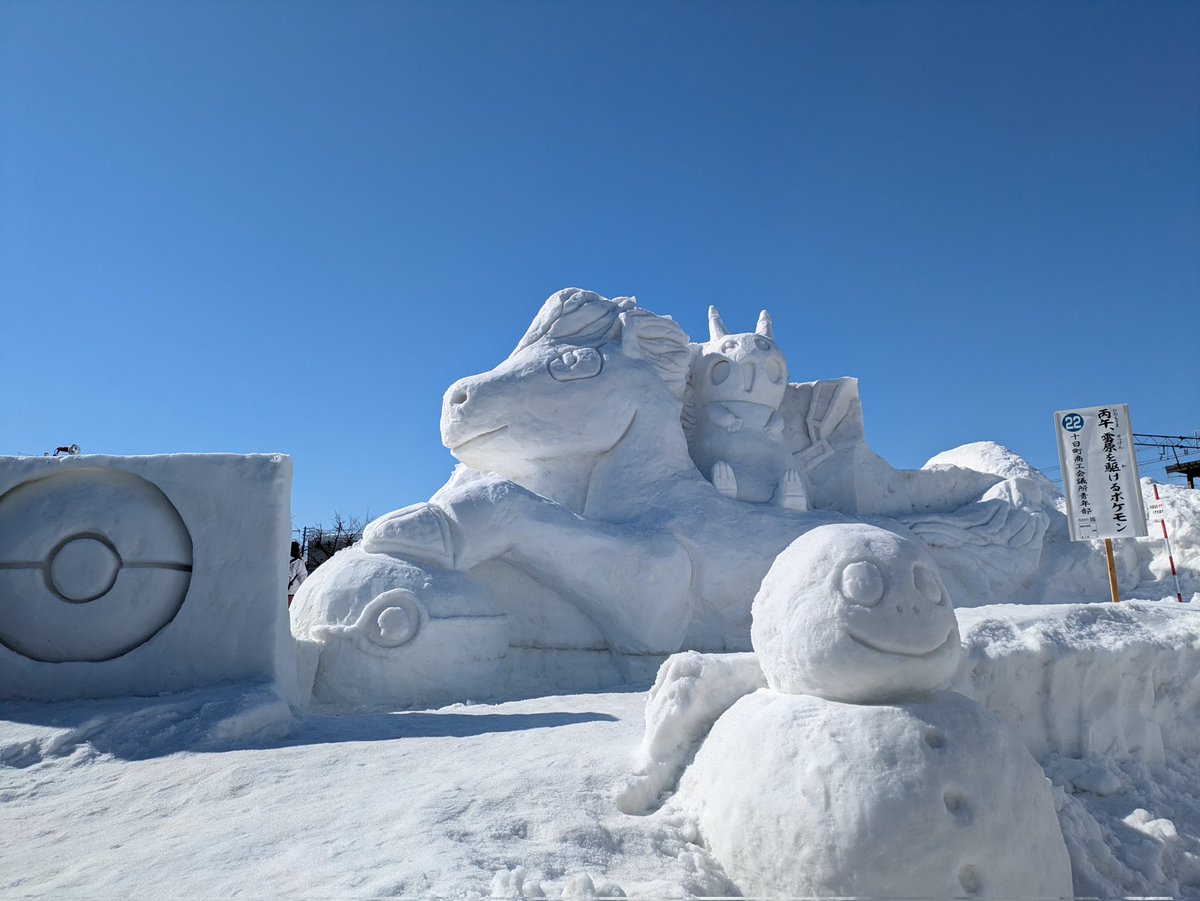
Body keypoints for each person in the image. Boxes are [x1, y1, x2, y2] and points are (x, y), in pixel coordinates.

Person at [288, 541, 308, 607]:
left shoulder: (282, 560)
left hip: (281, 591)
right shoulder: (299, 562)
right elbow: (303, 577)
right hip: (293, 592)